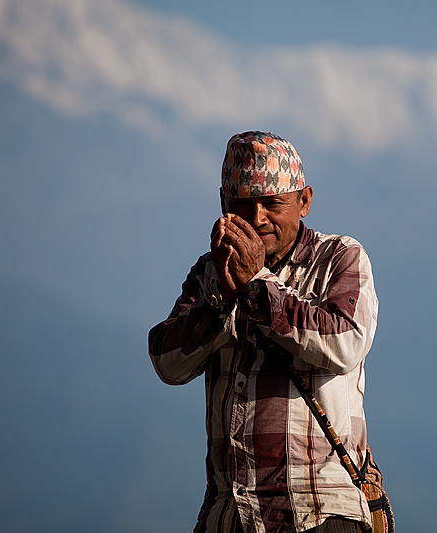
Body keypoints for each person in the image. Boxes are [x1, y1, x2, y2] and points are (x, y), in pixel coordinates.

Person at [148, 131, 379, 533]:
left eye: (272, 204)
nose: (257, 218)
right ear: (224, 203)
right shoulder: (210, 271)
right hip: (229, 515)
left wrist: (258, 285)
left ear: (304, 201)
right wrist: (220, 300)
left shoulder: (339, 257)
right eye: (242, 204)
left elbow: (345, 342)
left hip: (318, 510)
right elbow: (168, 364)